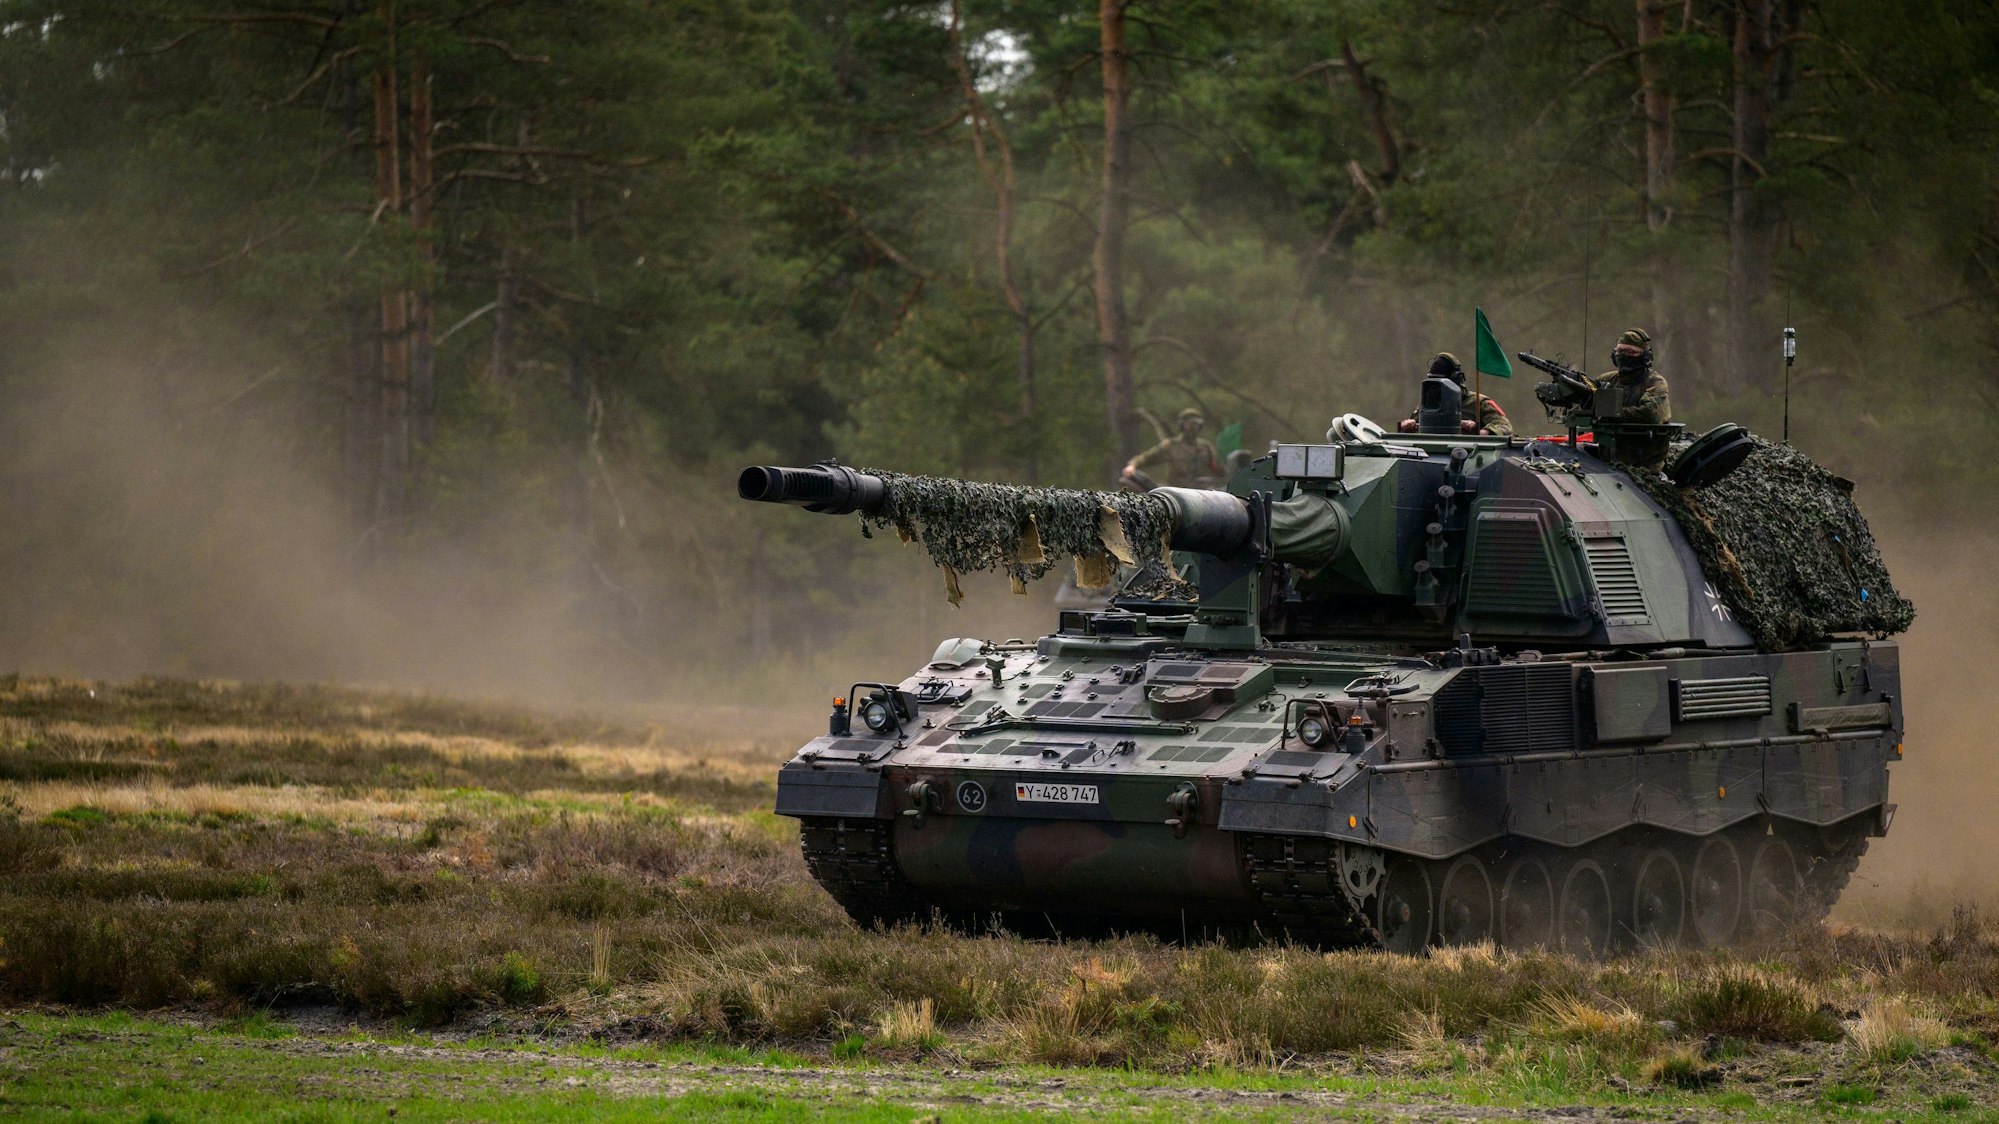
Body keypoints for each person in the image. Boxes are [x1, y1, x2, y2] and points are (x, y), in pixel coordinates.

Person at [1592, 328, 1673, 467]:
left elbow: (1650, 414)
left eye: (1630, 352)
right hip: (1607, 463)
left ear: (1645, 356)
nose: (1623, 356)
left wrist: (1614, 412)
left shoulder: (1654, 382)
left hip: (1645, 466)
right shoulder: (1606, 380)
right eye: (1619, 351)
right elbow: (1587, 401)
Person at [1397, 352, 1514, 436]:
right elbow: (1411, 434)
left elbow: (1504, 427)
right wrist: (1406, 427)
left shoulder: (1478, 403)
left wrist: (1480, 432)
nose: (1436, 388)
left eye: (1441, 383)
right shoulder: (1428, 405)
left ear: (1455, 380)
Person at [1122, 407, 1221, 488]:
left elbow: (1217, 469)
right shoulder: (1171, 446)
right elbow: (1146, 458)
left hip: (1201, 495)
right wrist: (1132, 465)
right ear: (1182, 426)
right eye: (1190, 424)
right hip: (1177, 495)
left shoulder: (1205, 448)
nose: (1193, 428)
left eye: (1196, 424)